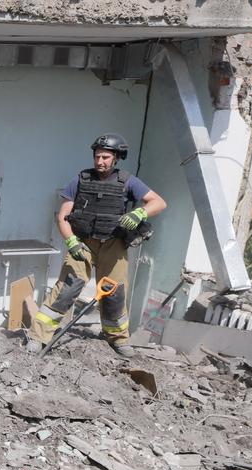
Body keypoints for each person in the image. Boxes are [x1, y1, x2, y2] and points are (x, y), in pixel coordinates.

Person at [28, 133, 166, 357]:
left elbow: (159, 202)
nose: (100, 161)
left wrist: (140, 212)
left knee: (114, 292)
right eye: (97, 157)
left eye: (106, 157)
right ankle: (38, 336)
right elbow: (63, 215)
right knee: (67, 288)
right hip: (83, 242)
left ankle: (118, 339)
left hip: (114, 244)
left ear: (116, 158)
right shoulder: (81, 180)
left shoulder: (128, 181)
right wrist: (70, 240)